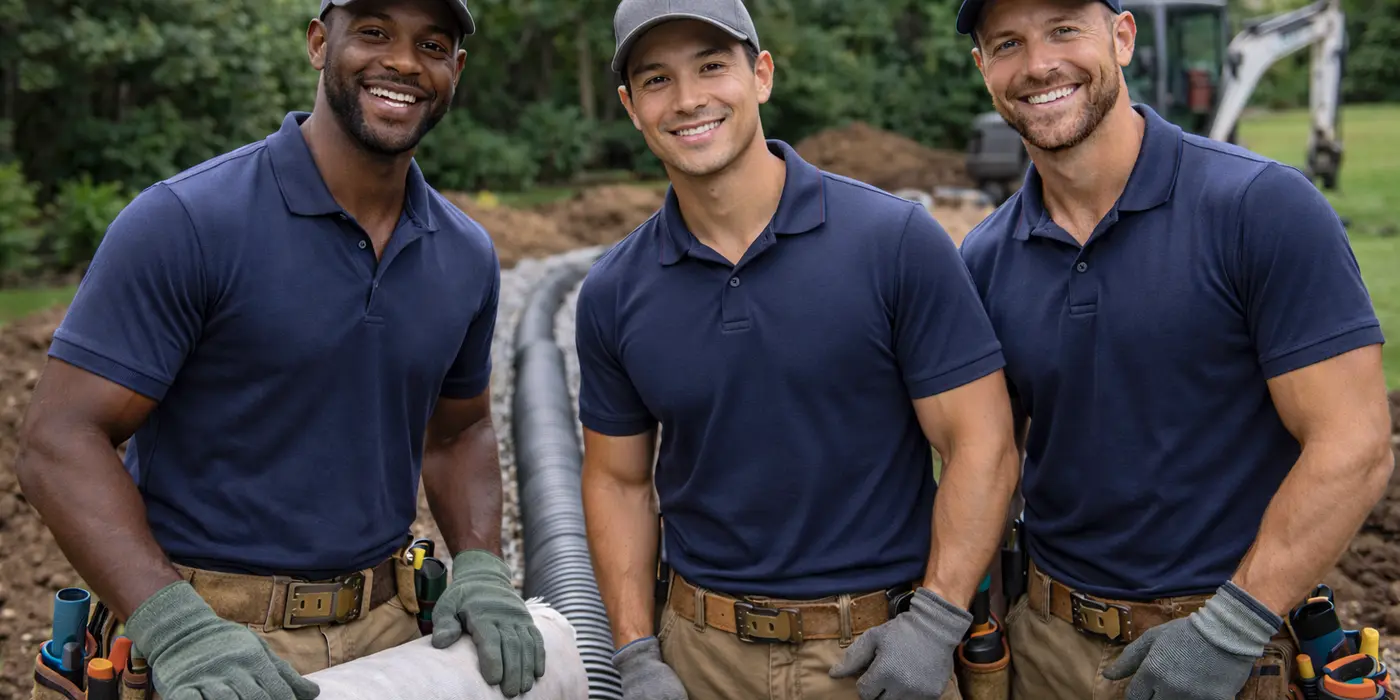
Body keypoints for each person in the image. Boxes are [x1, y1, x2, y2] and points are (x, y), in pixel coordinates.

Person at [13, 0, 547, 697]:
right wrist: (177, 628)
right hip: (209, 643)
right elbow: (59, 439)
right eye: (375, 33)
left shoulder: (466, 255)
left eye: (433, 44)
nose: (404, 63)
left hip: (390, 633)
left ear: (456, 69)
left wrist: (478, 567)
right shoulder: (188, 222)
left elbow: (460, 429)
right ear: (320, 43)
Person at [575, 1, 1024, 698]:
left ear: (761, 75)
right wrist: (636, 653)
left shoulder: (894, 242)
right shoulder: (613, 290)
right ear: (633, 107)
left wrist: (935, 623)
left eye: (712, 67)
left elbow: (982, 443)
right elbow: (618, 482)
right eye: (657, 80)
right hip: (702, 659)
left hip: (877, 654)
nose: (689, 99)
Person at [953, 0, 1395, 697]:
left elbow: (1356, 443)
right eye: (1008, 43)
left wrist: (1227, 631)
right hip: (1046, 649)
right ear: (984, 70)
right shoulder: (984, 257)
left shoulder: (1260, 208)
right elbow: (985, 462)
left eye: (1065, 30)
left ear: (1122, 38)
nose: (1039, 64)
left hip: (1234, 651)